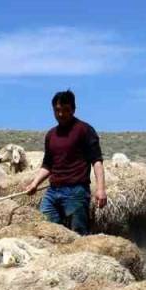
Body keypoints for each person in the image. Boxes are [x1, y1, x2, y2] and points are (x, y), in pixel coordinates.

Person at [24, 89, 107, 235]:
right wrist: (35, 183)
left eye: (65, 110)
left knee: (78, 233)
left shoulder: (84, 130)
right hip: (53, 190)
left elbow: (97, 161)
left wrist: (101, 189)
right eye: (57, 110)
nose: (61, 114)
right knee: (47, 230)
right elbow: (48, 165)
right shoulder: (51, 135)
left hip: (76, 191)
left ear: (73, 109)